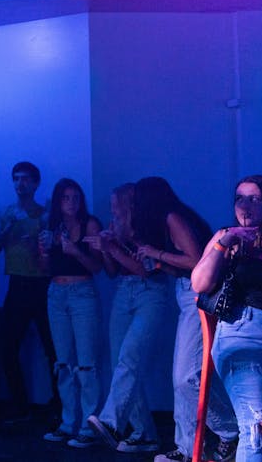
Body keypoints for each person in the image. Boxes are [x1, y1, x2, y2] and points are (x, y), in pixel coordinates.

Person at [115, 178, 237, 462]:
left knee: (187, 377)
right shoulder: (172, 217)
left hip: (198, 298)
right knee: (188, 376)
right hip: (190, 295)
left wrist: (156, 253)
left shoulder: (171, 217)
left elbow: (197, 260)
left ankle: (226, 433)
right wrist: (158, 262)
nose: (132, 206)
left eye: (135, 201)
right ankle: (189, 448)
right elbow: (184, 267)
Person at [192, 175, 262, 462]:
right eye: (239, 198)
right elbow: (200, 284)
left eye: (254, 198)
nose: (245, 205)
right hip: (245, 334)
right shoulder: (225, 237)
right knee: (259, 429)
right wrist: (224, 244)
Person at [86, 183, 172, 455]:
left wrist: (112, 247)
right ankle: (144, 433)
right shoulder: (116, 226)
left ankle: (111, 421)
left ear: (129, 205)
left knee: (129, 357)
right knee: (119, 361)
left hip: (150, 293)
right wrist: (104, 247)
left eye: (116, 206)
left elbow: (145, 270)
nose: (113, 211)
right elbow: (112, 272)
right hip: (123, 292)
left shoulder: (150, 227)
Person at [40, 178, 103, 448]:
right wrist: (43, 251)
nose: (71, 202)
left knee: (86, 363)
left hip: (82, 293)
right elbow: (45, 270)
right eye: (66, 197)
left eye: (76, 197)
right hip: (56, 293)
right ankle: (68, 422)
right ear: (58, 200)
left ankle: (90, 424)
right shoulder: (51, 226)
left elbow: (97, 267)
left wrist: (74, 250)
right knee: (63, 362)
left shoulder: (90, 224)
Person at [0, 161, 57, 422]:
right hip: (16, 284)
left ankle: (60, 406)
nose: (21, 184)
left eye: (26, 179)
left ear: (36, 183)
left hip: (43, 285)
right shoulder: (6, 212)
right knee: (8, 348)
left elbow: (54, 249)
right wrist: (9, 226)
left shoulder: (46, 214)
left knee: (52, 349)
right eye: (16, 178)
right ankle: (20, 406)